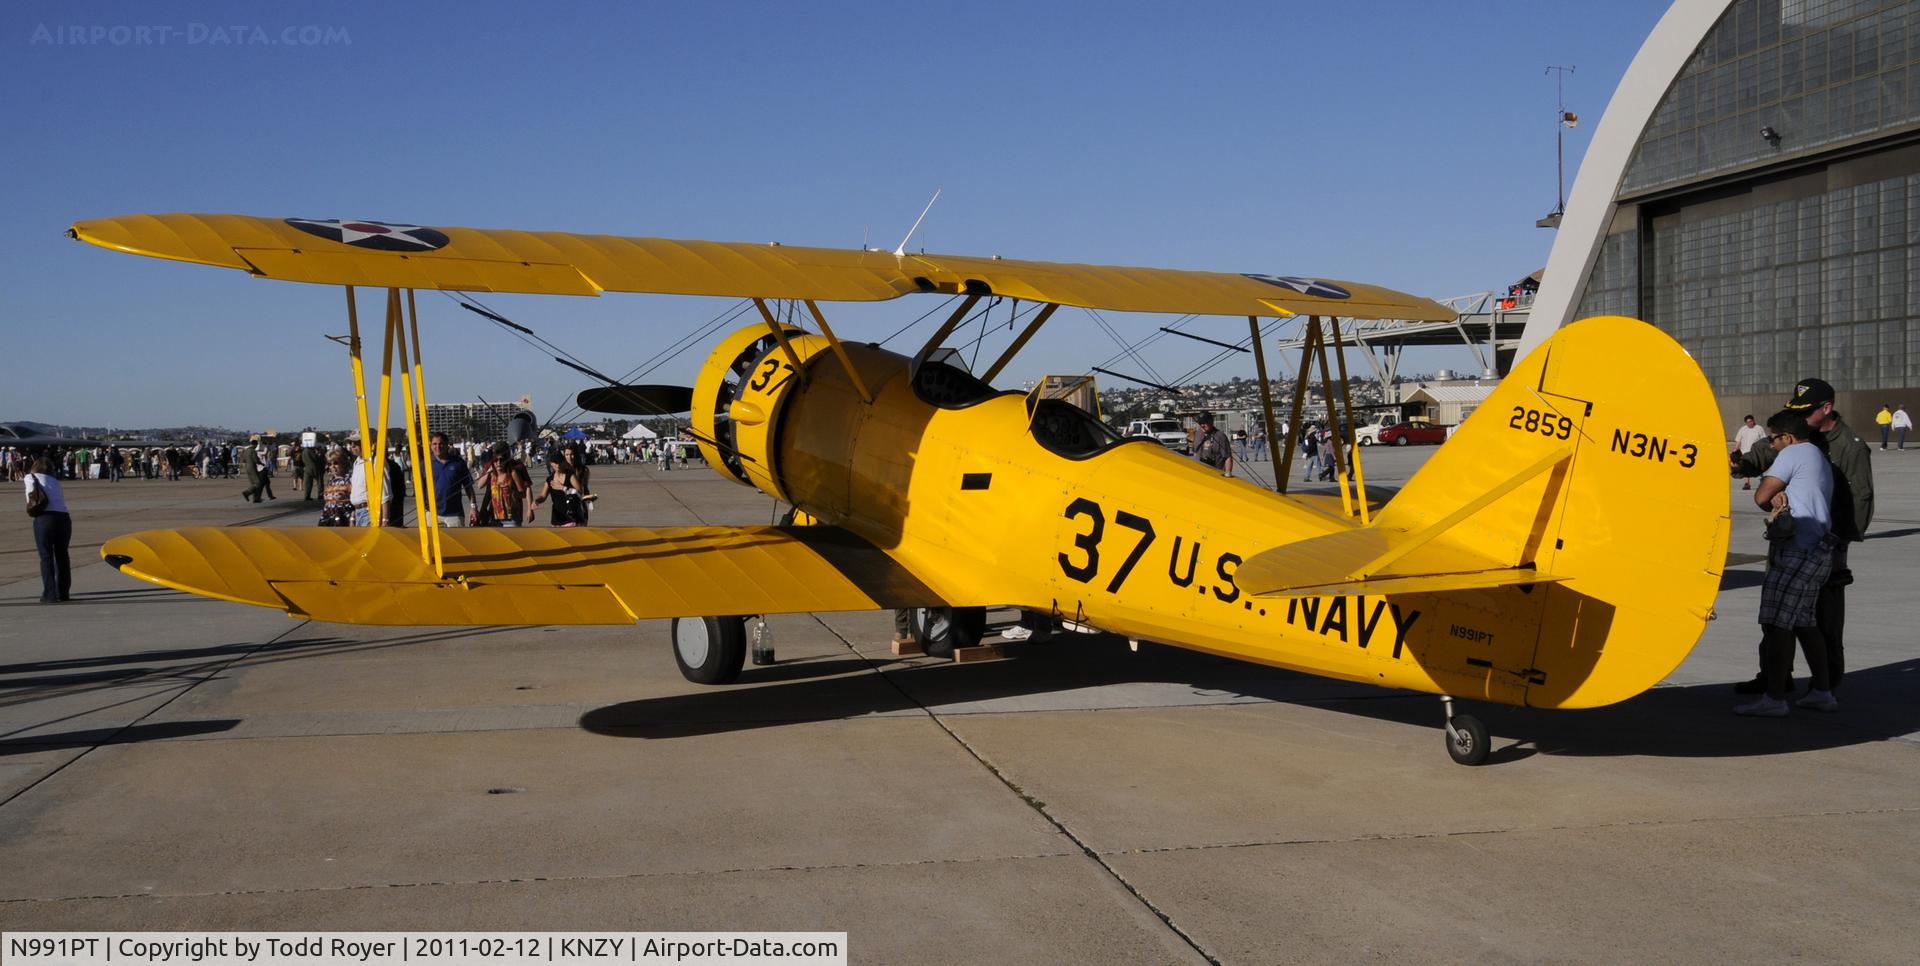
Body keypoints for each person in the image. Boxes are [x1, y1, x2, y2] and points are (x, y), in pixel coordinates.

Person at [1732, 378, 1873, 696]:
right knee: (1781, 620)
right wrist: (1742, 464)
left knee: (1822, 620)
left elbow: (1860, 500)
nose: (1800, 416)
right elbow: (1763, 453)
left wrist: (1839, 545)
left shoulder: (1849, 446)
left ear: (1827, 409)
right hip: (1796, 542)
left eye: (1807, 411)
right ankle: (1774, 677)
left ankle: (1824, 685)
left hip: (1825, 546)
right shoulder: (1799, 440)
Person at [1736, 410, 1837, 717]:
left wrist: (1774, 493)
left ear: (1787, 438)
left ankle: (1775, 698)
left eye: (1773, 438)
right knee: (1805, 623)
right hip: (1819, 549)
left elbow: (1762, 497)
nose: (1772, 445)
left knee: (1777, 624)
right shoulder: (1817, 455)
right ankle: (1823, 691)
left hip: (1796, 550)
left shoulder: (1792, 454)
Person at [25, 457, 71, 603]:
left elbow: (30, 497)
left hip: (44, 518)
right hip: (63, 518)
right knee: (62, 555)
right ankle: (63, 592)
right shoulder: (56, 482)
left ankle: (49, 594)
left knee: (46, 557)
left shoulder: (30, 477)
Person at [477, 442, 533, 526]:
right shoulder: (490, 466)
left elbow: (526, 489)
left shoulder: (517, 467)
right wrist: (489, 471)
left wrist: (530, 509)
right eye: (495, 459)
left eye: (502, 459)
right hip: (494, 515)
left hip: (512, 515)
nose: (498, 462)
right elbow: (480, 485)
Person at [535, 445, 593, 526]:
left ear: (576, 455)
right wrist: (536, 501)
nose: (570, 457)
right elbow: (545, 494)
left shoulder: (583, 470)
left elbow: (584, 489)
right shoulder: (559, 470)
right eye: (567, 455)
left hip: (578, 506)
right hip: (561, 512)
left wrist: (589, 502)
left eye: (572, 454)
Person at [428, 432, 476, 528]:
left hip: (454, 514)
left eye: (441, 444)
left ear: (446, 445)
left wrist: (473, 507)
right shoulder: (425, 464)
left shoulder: (458, 463)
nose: (438, 447)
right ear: (430, 445)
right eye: (434, 444)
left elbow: (468, 487)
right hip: (432, 514)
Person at [1192, 411, 1233, 477]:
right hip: (1199, 473)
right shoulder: (1197, 433)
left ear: (1211, 422)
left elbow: (1228, 457)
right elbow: (1195, 452)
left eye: (1204, 423)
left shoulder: (1220, 436)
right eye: (1200, 423)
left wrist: (1228, 473)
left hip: (1215, 475)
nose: (1202, 425)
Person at [1730, 415, 1766, 490]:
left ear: (1753, 421)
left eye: (1750, 421)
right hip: (1745, 452)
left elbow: (1763, 439)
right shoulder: (1742, 429)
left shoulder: (1759, 428)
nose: (1749, 423)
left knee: (1758, 466)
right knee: (1746, 467)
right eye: (1747, 422)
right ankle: (1747, 483)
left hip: (1756, 452)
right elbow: (1738, 440)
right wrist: (1736, 448)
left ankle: (1763, 479)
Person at [318, 451, 354, 526]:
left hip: (344, 518)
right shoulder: (330, 482)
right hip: (328, 518)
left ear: (343, 463)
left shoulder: (350, 480)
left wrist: (352, 518)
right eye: (330, 464)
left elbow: (354, 502)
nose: (332, 466)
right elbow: (327, 503)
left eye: (336, 463)